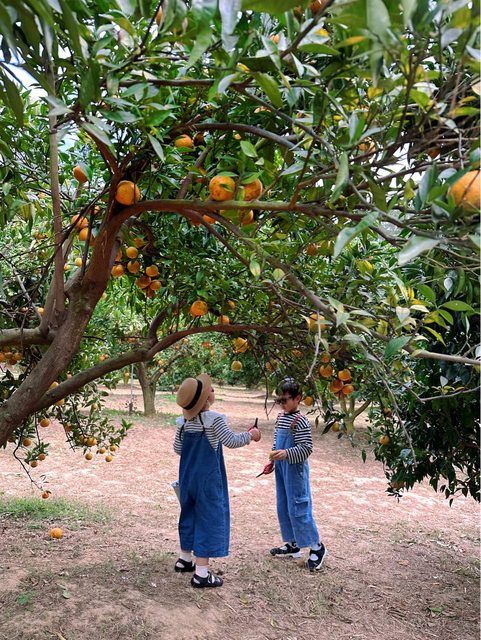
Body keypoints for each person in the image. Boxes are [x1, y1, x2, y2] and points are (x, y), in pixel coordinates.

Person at [173, 373, 261, 588]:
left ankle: (185, 559)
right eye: (209, 390)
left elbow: (178, 449)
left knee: (189, 514)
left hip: (187, 477)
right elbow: (230, 441)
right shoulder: (214, 419)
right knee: (207, 518)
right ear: (206, 399)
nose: (212, 390)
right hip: (208, 480)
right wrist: (251, 435)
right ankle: (201, 574)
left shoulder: (182, 422)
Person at [265, 378, 327, 571]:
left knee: (298, 507)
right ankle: (292, 544)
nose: (281, 404)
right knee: (283, 505)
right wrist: (272, 460)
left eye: (285, 400)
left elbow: (307, 448)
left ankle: (317, 547)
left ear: (298, 398)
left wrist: (287, 453)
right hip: (281, 468)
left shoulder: (301, 421)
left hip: (295, 470)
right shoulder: (281, 418)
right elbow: (277, 441)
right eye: (279, 400)